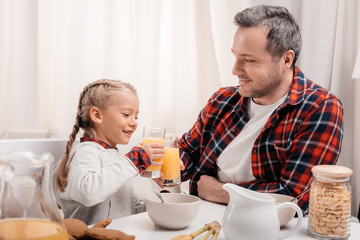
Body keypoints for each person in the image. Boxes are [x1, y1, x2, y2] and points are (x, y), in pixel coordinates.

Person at [177, 5, 343, 213]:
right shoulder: (223, 100)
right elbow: (186, 152)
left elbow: (294, 197)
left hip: (272, 228)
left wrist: (219, 191)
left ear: (286, 59)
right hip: (205, 216)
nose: (235, 70)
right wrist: (158, 165)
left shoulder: (320, 107)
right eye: (235, 56)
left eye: (248, 60)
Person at [52, 79, 164, 225]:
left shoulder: (115, 158)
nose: (134, 122)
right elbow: (89, 193)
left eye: (136, 116)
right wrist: (135, 159)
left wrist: (162, 198)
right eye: (126, 114)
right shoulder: (84, 153)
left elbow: (132, 210)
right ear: (97, 116)